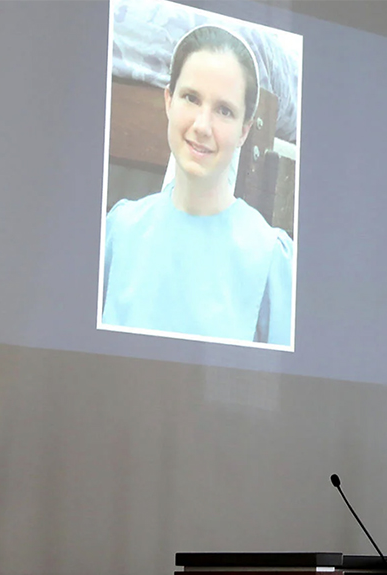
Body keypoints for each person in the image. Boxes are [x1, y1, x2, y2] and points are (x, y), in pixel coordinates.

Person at [102, 25, 294, 346]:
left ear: (244, 131)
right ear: (168, 101)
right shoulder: (118, 231)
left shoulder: (270, 260)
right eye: (191, 98)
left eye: (224, 110)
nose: (202, 126)